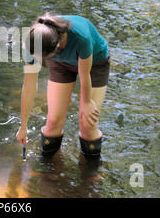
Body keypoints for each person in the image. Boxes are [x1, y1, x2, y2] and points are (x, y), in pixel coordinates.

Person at [16, 13, 110, 157]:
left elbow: (84, 75)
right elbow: (28, 87)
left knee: (87, 124)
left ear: (57, 47)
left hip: (95, 63)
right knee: (53, 122)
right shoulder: (34, 43)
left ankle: (90, 172)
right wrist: (23, 126)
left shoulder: (80, 37)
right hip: (62, 65)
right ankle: (49, 172)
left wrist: (86, 102)